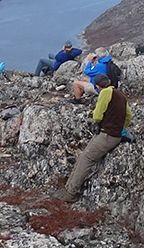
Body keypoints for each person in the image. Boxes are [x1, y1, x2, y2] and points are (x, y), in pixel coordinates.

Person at [55, 74, 132, 203]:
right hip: (115, 134)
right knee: (85, 155)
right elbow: (128, 116)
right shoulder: (120, 95)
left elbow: (97, 116)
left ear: (97, 86)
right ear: (108, 81)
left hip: (107, 135)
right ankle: (68, 187)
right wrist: (120, 127)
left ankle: (70, 192)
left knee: (86, 158)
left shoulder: (105, 93)